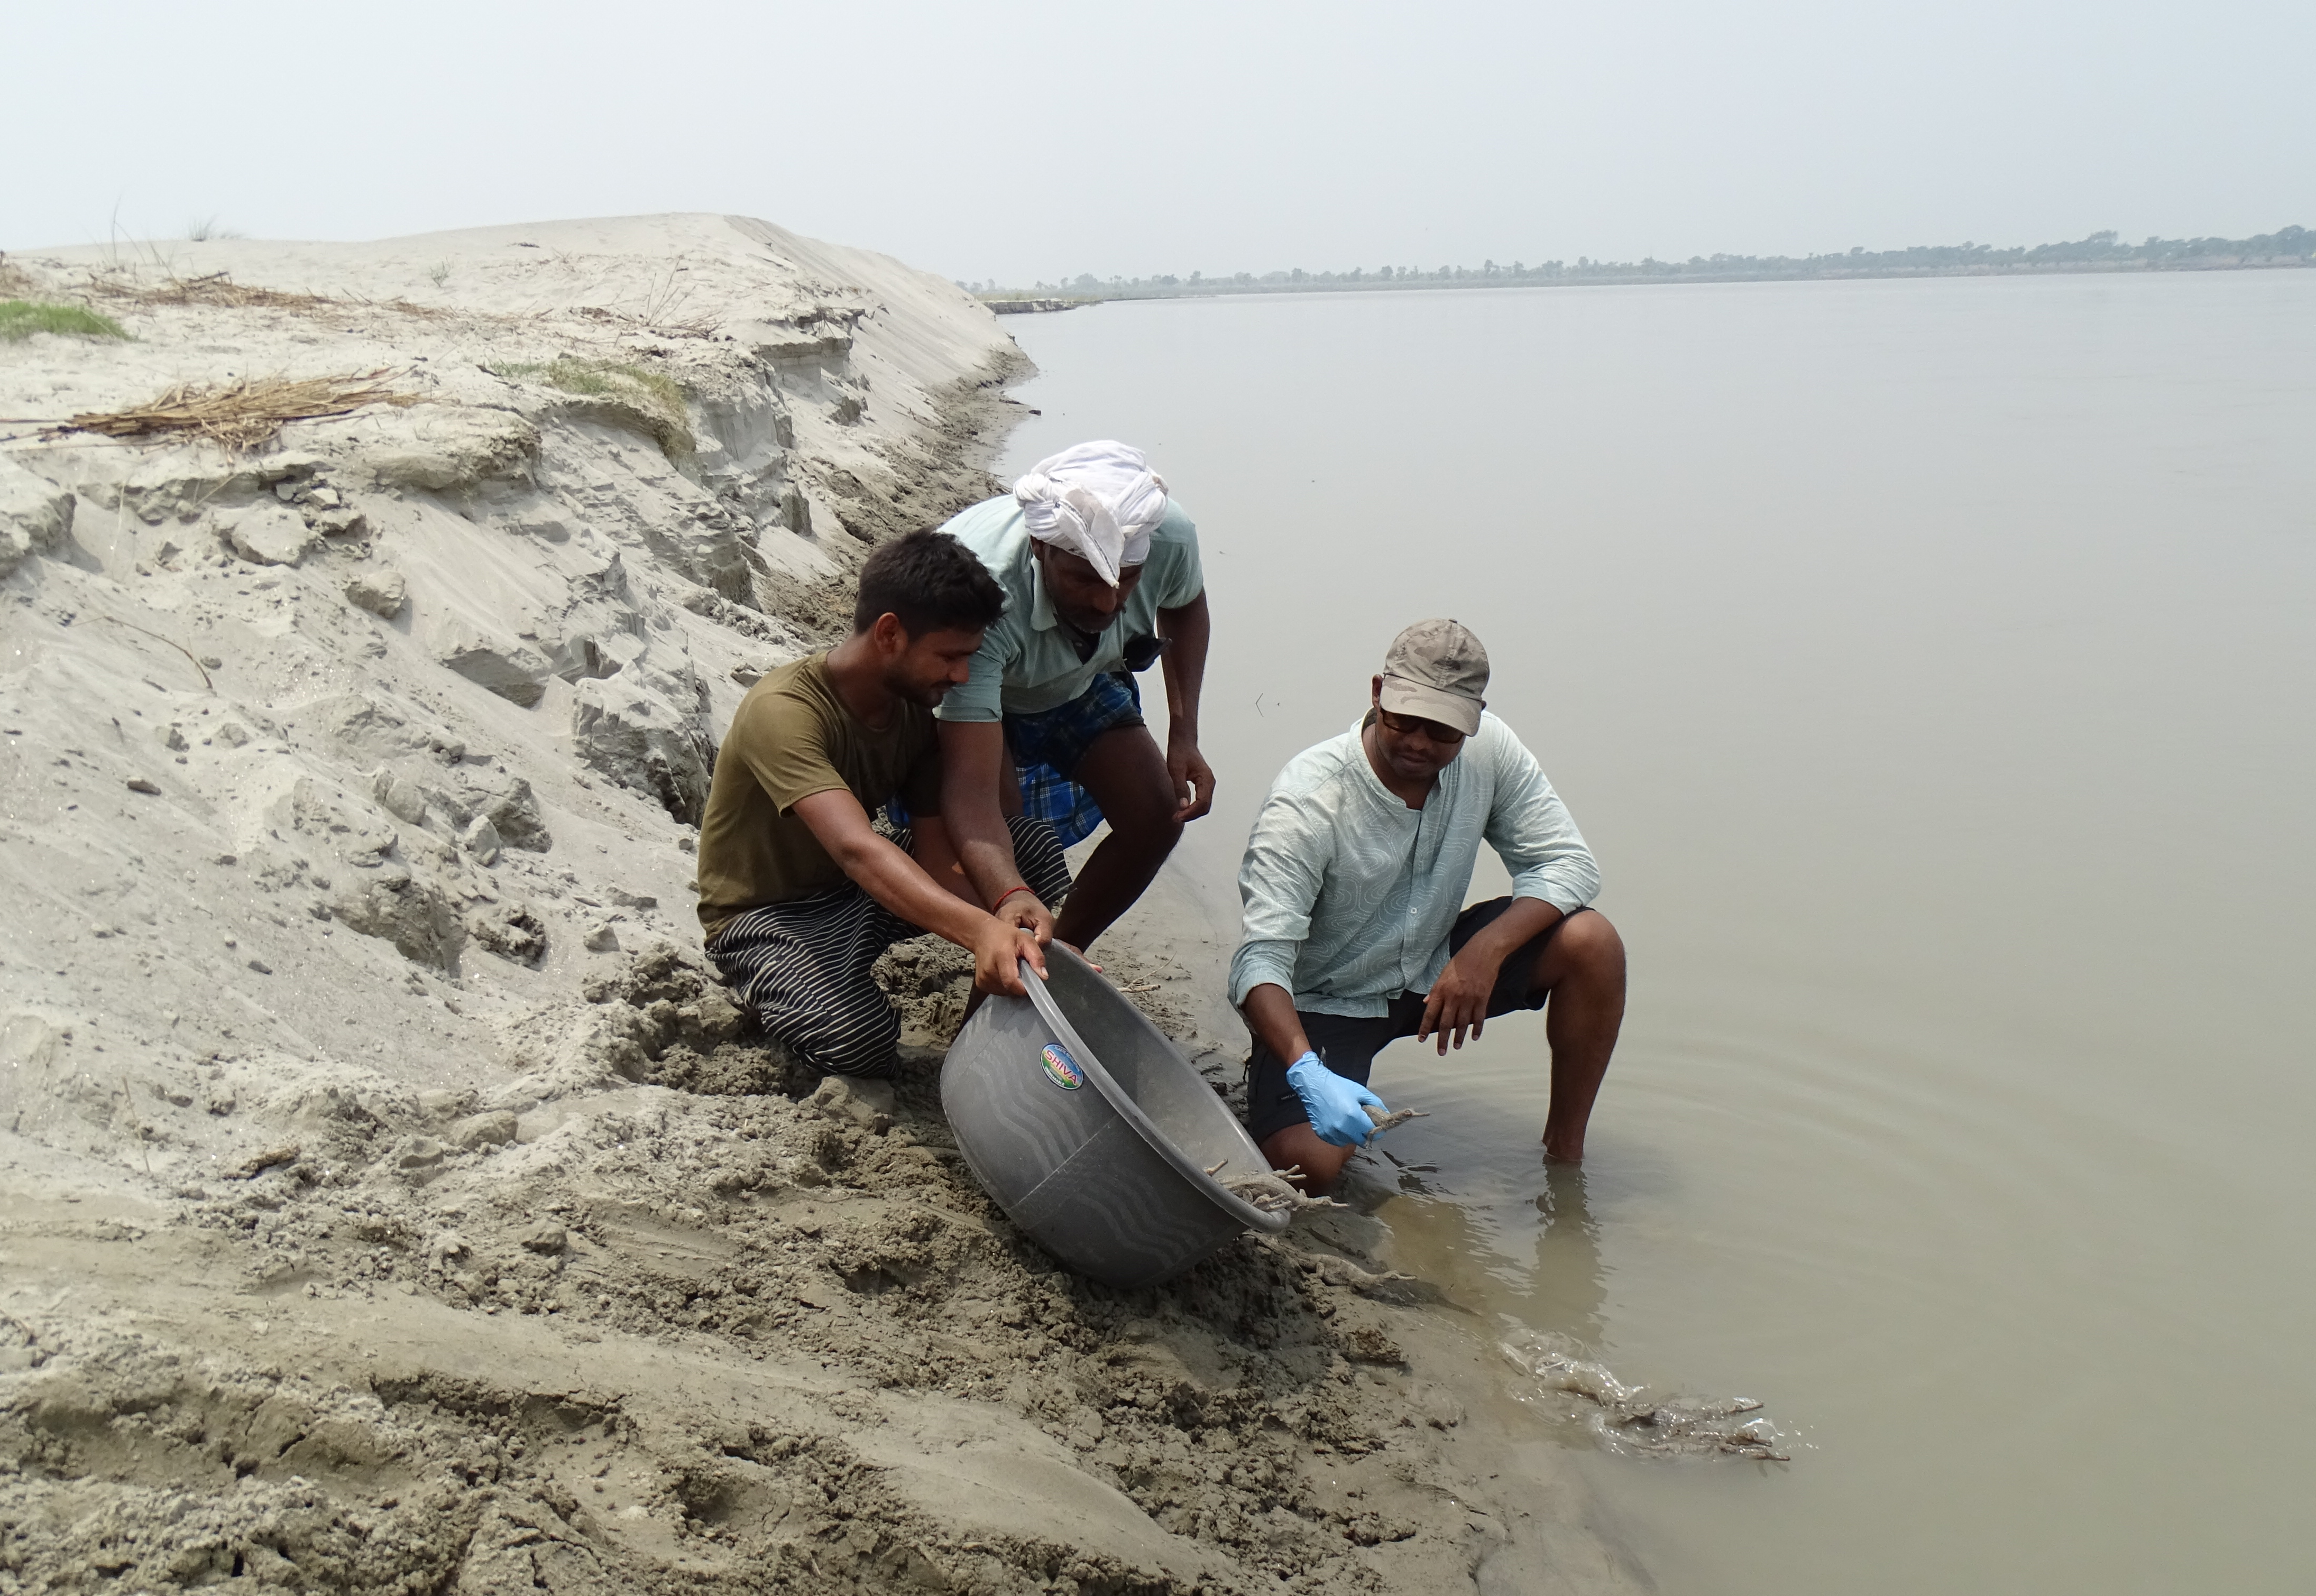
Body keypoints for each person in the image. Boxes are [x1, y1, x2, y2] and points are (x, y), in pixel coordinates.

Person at [1230, 619, 1626, 1186]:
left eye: (1442, 732)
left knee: (1592, 943)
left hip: (1432, 968)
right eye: (1404, 721)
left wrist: (1485, 951)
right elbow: (1259, 961)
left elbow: (1570, 864)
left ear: (1474, 720)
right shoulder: (1308, 800)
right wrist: (1304, 1067)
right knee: (1309, 1165)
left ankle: (1565, 1159)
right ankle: (1292, 1075)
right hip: (1327, 997)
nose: (1419, 743)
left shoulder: (1490, 751)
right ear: (1376, 693)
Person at [695, 531, 1074, 1085]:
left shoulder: (913, 712)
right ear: (890, 634)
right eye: (950, 656)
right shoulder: (782, 711)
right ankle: (769, 986)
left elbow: (936, 849)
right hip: (765, 917)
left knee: (1026, 853)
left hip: (850, 897)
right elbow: (856, 848)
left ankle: (994, 1009)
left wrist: (1007, 923)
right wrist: (977, 931)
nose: (962, 676)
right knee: (862, 1045)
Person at [936, 440, 1216, 951]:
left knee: (1159, 814)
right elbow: (970, 794)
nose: (1108, 601)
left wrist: (1185, 735)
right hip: (982, 688)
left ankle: (1063, 952)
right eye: (1085, 579)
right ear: (1041, 548)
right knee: (1016, 850)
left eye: (1127, 580)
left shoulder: (1169, 535)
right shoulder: (982, 593)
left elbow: (1185, 604)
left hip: (1081, 675)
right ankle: (1005, 973)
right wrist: (1011, 892)